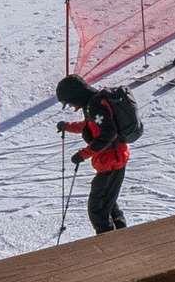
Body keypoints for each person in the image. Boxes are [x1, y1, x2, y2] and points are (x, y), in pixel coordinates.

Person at [55, 73, 132, 232]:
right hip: (113, 161)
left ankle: (109, 245)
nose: (72, 106)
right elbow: (89, 125)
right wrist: (67, 126)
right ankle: (122, 235)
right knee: (109, 203)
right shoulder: (93, 103)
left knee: (97, 209)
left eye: (69, 102)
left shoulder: (95, 105)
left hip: (111, 162)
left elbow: (108, 133)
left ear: (75, 96)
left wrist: (83, 154)